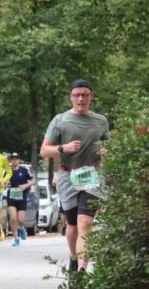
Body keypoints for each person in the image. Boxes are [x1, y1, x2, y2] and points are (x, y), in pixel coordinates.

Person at [40, 79, 110, 273]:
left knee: (85, 223)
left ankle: (81, 268)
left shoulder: (100, 121)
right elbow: (44, 151)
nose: (81, 98)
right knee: (72, 226)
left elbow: (110, 146)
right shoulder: (60, 120)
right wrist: (64, 148)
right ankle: (73, 257)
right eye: (77, 95)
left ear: (91, 97)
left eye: (85, 95)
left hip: (92, 175)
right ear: (71, 97)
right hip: (67, 176)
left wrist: (107, 151)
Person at [5, 153, 35, 246]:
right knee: (13, 218)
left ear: (19, 160)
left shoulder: (24, 170)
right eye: (13, 159)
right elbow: (3, 183)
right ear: (10, 160)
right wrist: (5, 185)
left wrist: (25, 185)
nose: (15, 160)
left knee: (21, 220)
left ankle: (22, 228)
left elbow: (34, 181)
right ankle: (16, 238)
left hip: (22, 197)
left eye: (16, 159)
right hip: (11, 197)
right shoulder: (8, 171)